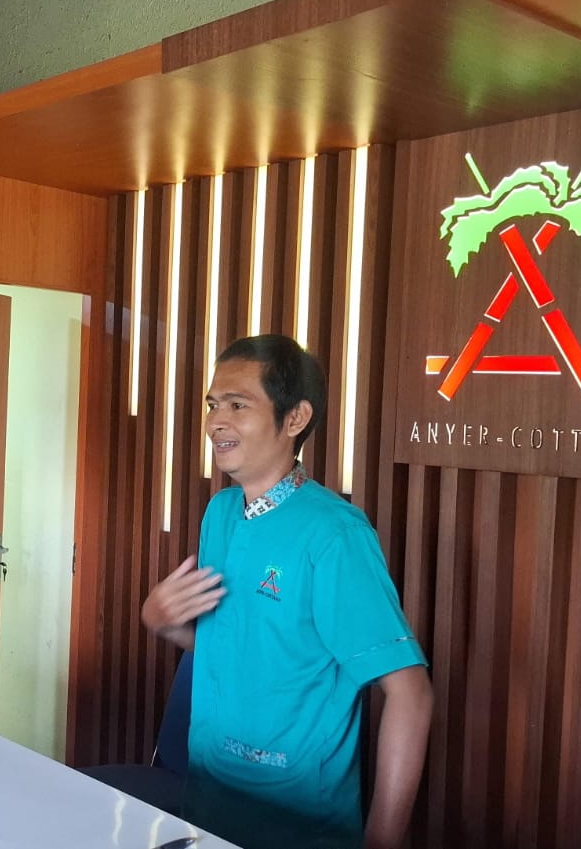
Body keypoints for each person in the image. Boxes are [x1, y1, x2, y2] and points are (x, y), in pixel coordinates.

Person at [142, 335, 433, 849]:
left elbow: (410, 692)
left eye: (237, 405)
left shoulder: (335, 535)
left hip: (297, 824)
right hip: (206, 803)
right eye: (212, 405)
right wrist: (161, 621)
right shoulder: (220, 513)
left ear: (295, 418)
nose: (215, 421)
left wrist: (382, 842)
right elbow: (238, 645)